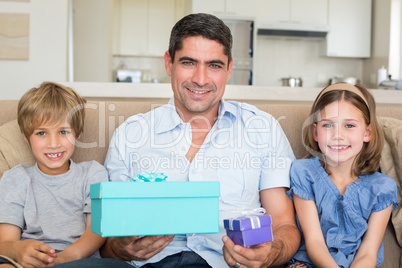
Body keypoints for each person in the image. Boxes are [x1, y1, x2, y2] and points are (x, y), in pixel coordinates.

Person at [53, 13, 300, 268]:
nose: (200, 79)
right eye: (189, 62)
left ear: (228, 69)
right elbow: (109, 239)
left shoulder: (262, 129)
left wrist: (271, 253)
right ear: (169, 63)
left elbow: (284, 225)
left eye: (214, 65)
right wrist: (122, 248)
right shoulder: (131, 134)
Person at [286, 83, 399, 268]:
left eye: (349, 125)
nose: (338, 135)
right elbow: (314, 242)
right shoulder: (304, 173)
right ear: (315, 132)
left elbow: (368, 253)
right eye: (328, 125)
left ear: (367, 132)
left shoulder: (382, 188)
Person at [0, 82, 108, 267]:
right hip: (28, 261)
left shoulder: (92, 173)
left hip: (79, 260)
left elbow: (96, 230)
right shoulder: (15, 178)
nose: (53, 143)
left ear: (78, 133)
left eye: (63, 132)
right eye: (41, 133)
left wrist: (65, 258)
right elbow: (5, 243)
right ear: (27, 137)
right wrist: (19, 251)